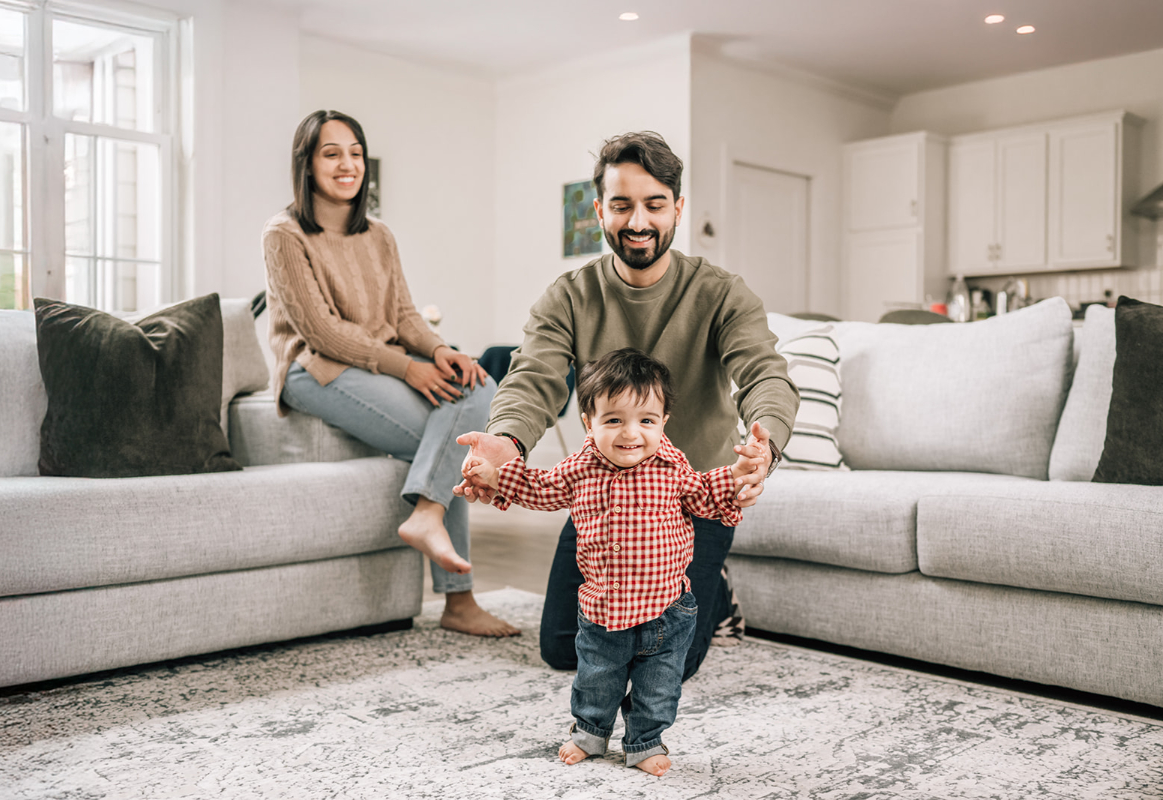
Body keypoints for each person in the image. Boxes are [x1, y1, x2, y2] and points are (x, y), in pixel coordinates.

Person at [454, 130, 798, 665]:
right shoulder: (568, 297)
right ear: (599, 210)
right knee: (565, 651)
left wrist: (765, 444)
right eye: (622, 205)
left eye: (654, 205)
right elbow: (533, 379)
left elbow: (764, 374)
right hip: (603, 495)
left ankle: (715, 589)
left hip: (693, 498)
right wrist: (505, 441)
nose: (638, 222)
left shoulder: (722, 293)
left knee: (667, 662)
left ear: (677, 208)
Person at [262, 109, 517, 637]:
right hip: (316, 371)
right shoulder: (284, 236)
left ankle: (429, 522)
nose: (346, 163)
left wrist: (441, 350)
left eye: (354, 152)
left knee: (479, 387)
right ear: (306, 165)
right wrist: (410, 368)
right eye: (331, 153)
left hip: (379, 362)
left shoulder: (379, 235)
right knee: (453, 436)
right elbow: (322, 332)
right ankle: (458, 598)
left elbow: (403, 316)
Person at [463, 349, 766, 775]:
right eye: (613, 420)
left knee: (659, 687)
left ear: (664, 422)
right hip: (603, 609)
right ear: (588, 422)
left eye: (646, 420)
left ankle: (645, 741)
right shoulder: (580, 468)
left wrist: (737, 475)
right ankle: (590, 730)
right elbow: (539, 487)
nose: (631, 433)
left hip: (667, 609)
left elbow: (703, 493)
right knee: (596, 678)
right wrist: (494, 477)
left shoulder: (672, 465)